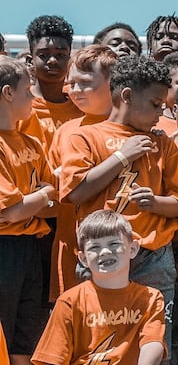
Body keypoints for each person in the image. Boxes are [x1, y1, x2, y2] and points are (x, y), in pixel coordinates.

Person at [59, 55, 178, 365]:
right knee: (94, 339)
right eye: (154, 104)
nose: (160, 115)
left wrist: (156, 202)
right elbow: (74, 192)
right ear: (125, 96)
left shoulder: (162, 143)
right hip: (100, 261)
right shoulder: (85, 137)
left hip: (152, 259)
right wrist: (122, 157)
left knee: (157, 345)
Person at [32, 210, 166, 365]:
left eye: (114, 244)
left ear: (133, 249)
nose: (104, 252)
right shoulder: (69, 301)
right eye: (95, 247)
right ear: (83, 258)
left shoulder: (150, 298)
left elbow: (153, 343)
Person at [0, 56, 57, 365]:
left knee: (26, 331)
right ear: (7, 93)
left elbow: (50, 196)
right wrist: (39, 197)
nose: (34, 97)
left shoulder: (32, 144)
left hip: (29, 248)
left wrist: (35, 199)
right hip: (3, 249)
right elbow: (10, 210)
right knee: (3, 330)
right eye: (27, 90)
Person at [48, 45, 118, 301]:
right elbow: (52, 191)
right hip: (72, 249)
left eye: (85, 83)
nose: (74, 91)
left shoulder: (135, 128)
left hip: (124, 254)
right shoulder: (66, 131)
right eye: (71, 83)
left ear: (114, 83)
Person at [20, 15, 83, 152]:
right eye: (43, 55)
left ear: (69, 60)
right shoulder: (17, 105)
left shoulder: (82, 104)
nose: (52, 61)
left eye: (60, 55)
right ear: (30, 61)